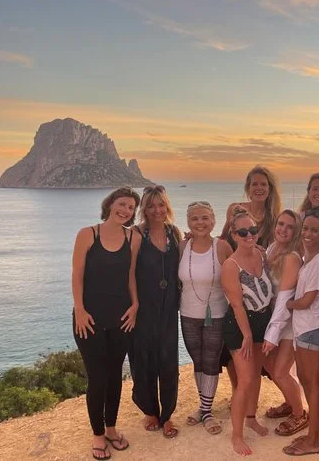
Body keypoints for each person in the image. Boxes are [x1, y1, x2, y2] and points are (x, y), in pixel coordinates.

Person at [71, 186, 141, 460]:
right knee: (97, 377)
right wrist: (79, 309)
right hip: (89, 319)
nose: (125, 210)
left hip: (122, 318)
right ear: (110, 204)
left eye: (131, 207)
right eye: (122, 204)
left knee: (114, 376)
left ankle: (111, 428)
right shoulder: (88, 234)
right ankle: (98, 434)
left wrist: (135, 305)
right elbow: (77, 274)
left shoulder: (133, 237)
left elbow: (131, 275)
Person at [128, 185, 182, 438]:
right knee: (144, 360)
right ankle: (150, 411)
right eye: (151, 205)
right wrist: (134, 304)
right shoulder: (136, 234)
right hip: (144, 308)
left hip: (169, 307)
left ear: (166, 206)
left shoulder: (175, 232)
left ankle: (167, 414)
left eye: (161, 204)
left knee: (169, 361)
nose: (157, 210)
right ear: (144, 209)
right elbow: (129, 273)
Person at [221, 208, 275, 455]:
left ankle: (251, 418)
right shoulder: (231, 265)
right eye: (242, 232)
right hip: (240, 326)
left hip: (262, 321)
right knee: (244, 381)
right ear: (234, 235)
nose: (249, 235)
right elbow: (237, 305)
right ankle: (237, 435)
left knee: (255, 375)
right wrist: (247, 335)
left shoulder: (262, 255)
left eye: (252, 230)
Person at [282, 208, 319, 456]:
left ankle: (313, 440)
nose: (308, 234)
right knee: (305, 379)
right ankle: (318, 431)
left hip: (313, 328)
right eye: (305, 228)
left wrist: (287, 303)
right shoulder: (310, 259)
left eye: (315, 230)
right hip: (304, 328)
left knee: (312, 383)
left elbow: (307, 301)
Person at [178, 201, 233, 435]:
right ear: (188, 222)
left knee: (211, 361)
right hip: (187, 313)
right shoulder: (182, 246)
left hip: (216, 314)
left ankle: (207, 411)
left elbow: (239, 269)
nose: (200, 223)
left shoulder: (222, 246)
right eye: (195, 218)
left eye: (205, 218)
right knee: (198, 361)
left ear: (213, 221)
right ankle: (204, 406)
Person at [262, 210, 307, 435]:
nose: (283, 229)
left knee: (280, 371)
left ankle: (300, 414)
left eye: (290, 227)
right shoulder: (271, 249)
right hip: (272, 318)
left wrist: (272, 335)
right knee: (269, 365)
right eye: (281, 224)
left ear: (296, 232)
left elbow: (284, 299)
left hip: (287, 322)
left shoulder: (292, 258)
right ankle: (290, 402)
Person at [222, 165, 282, 249]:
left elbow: (273, 249)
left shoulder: (274, 217)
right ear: (248, 188)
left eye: (263, 184)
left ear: (269, 189)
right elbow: (223, 239)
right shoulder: (234, 209)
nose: (259, 188)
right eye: (254, 184)